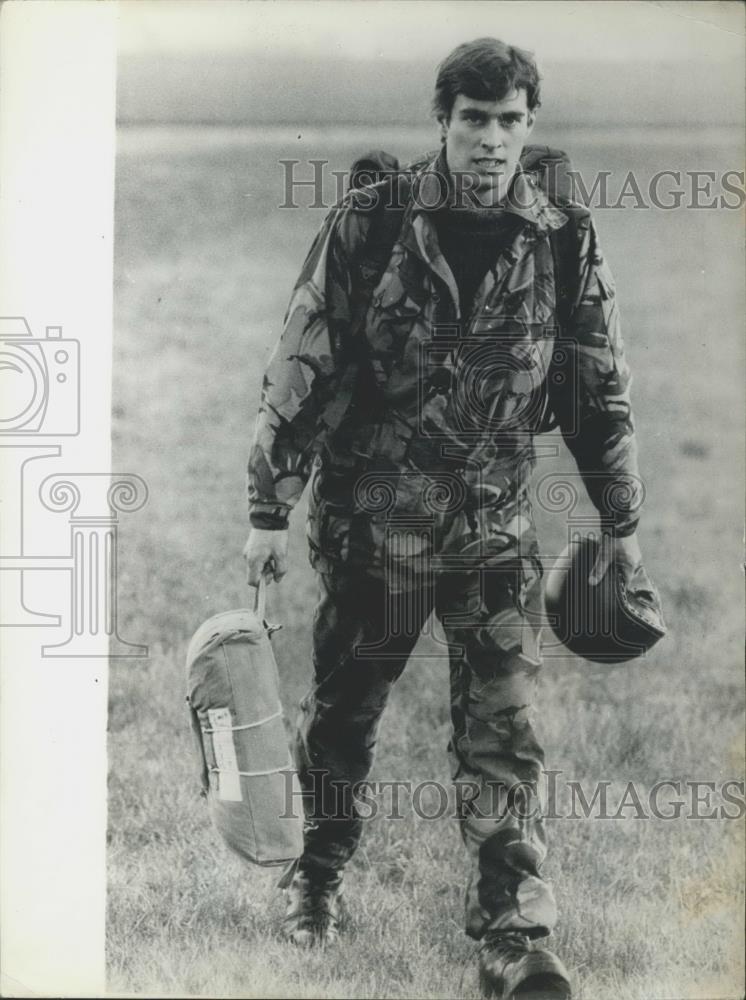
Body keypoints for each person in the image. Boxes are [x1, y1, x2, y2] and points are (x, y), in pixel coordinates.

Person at [244, 37, 645, 1000]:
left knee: (503, 731)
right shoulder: (377, 218)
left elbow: (596, 382)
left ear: (529, 127)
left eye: (511, 120)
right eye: (474, 119)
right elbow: (308, 357)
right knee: (343, 717)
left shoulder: (558, 230)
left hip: (495, 530)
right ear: (444, 122)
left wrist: (621, 519)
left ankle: (513, 935)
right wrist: (268, 505)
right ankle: (319, 877)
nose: (493, 140)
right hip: (375, 524)